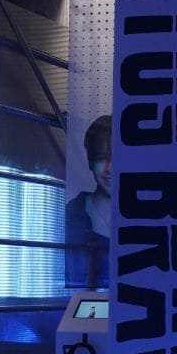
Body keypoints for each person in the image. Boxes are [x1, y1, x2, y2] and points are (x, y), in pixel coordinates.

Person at [66, 115, 112, 288]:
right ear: (90, 161)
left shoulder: (150, 221)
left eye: (119, 157)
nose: (109, 168)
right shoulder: (70, 217)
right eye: (101, 158)